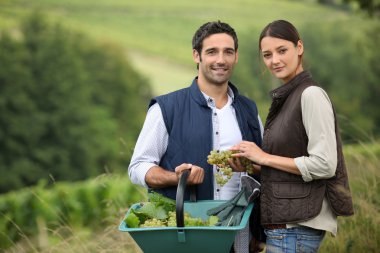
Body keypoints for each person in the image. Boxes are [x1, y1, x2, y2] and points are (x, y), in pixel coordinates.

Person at [128, 21, 264, 252]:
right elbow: (138, 167)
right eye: (212, 52)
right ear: (196, 56)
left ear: (236, 56)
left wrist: (252, 167)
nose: (221, 60)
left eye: (228, 52)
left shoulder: (249, 110)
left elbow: (264, 170)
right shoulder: (166, 108)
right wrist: (176, 177)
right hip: (188, 235)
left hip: (240, 236)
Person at [230, 20, 354, 253]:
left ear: (299, 47)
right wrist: (253, 167)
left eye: (282, 50)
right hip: (285, 229)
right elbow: (293, 167)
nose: (274, 60)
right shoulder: (289, 97)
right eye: (267, 55)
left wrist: (264, 157)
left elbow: (325, 165)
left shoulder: (311, 95)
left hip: (296, 229)